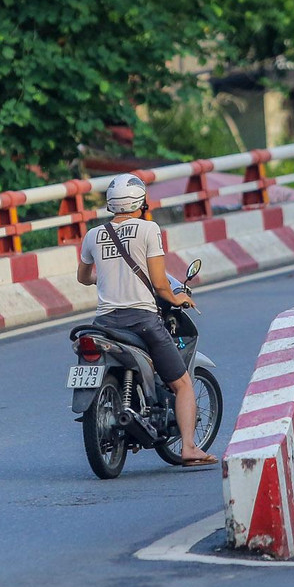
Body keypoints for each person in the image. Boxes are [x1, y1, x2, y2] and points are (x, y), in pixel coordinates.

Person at [76, 173, 216, 467]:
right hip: (141, 319)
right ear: (140, 202)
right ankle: (189, 447)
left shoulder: (93, 235)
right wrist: (178, 298)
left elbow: (84, 277)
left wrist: (106, 275)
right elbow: (159, 283)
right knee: (183, 385)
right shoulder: (148, 230)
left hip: (104, 322)